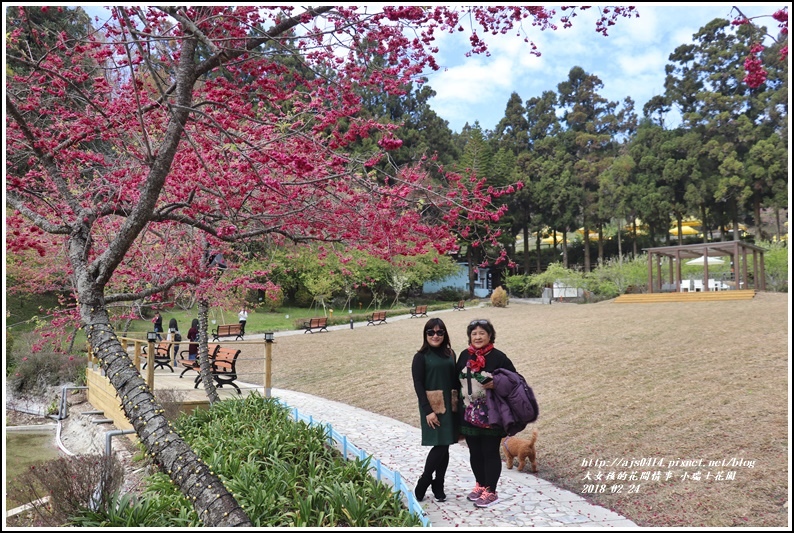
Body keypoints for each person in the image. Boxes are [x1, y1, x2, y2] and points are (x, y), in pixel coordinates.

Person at [457, 318, 516, 508]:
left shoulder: (499, 357)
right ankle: (480, 485)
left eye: (482, 333)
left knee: (490, 452)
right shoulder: (464, 355)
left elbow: (515, 381)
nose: (478, 337)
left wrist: (497, 383)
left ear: (490, 335)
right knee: (475, 452)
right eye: (474, 333)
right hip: (469, 413)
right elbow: (455, 382)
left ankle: (491, 491)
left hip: (492, 414)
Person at [411, 317, 460, 503]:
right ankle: (425, 480)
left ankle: (439, 483)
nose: (435, 335)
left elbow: (455, 379)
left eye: (440, 332)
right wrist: (427, 411)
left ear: (445, 334)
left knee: (445, 444)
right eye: (431, 332)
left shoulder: (450, 353)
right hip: (433, 407)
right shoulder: (420, 357)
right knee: (440, 445)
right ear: (425, 335)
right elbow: (418, 384)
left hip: (451, 405)